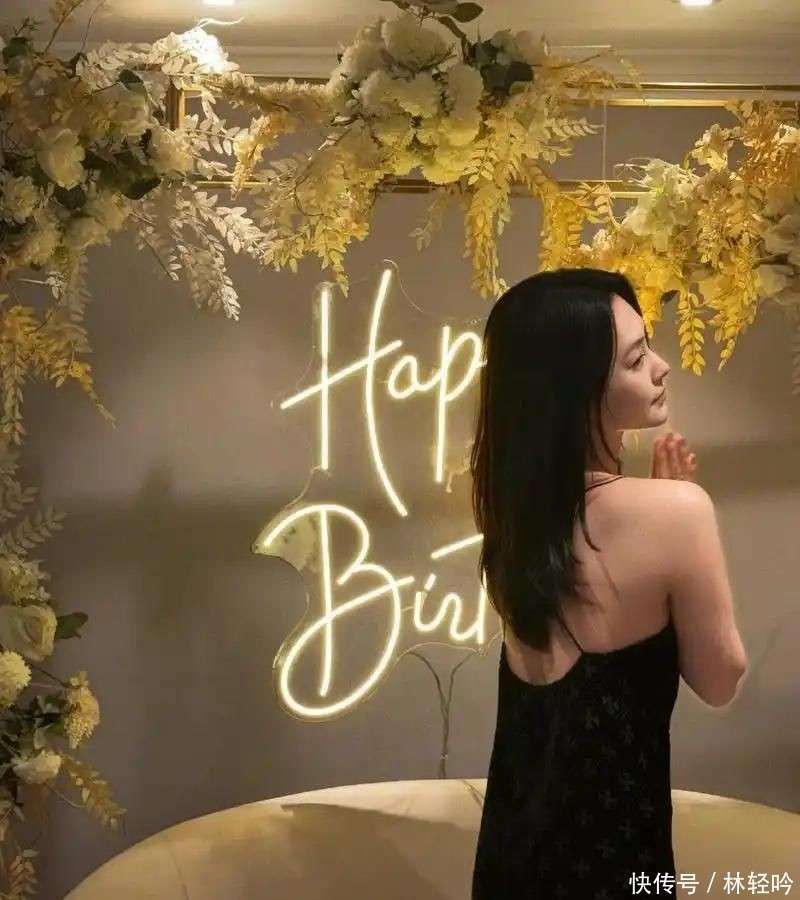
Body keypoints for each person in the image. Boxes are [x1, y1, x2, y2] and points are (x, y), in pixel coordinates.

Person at [469, 267, 749, 899]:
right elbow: (720, 678)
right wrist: (675, 511)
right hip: (614, 867)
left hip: (510, 861)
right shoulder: (676, 514)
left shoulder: (510, 517)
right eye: (637, 358)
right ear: (578, 390)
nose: (662, 367)